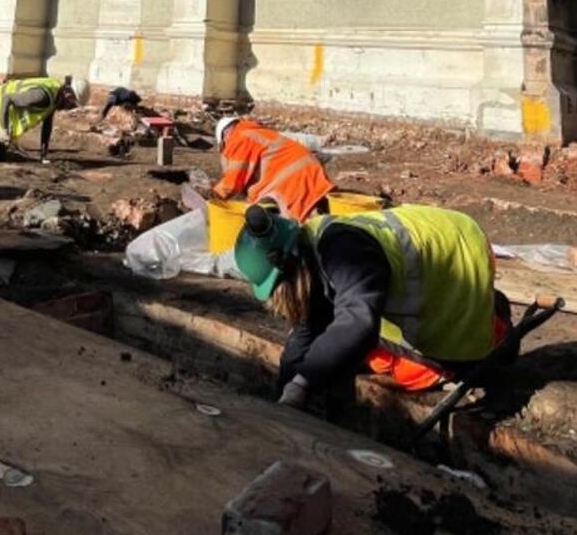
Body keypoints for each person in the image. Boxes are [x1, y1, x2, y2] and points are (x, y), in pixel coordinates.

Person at [232, 203, 510, 407]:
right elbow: (308, 328)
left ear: (291, 265)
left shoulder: (345, 251)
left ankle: (496, 329)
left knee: (412, 373)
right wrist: (286, 385)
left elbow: (358, 322)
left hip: (459, 249)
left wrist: (304, 382)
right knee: (349, 353)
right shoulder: (310, 251)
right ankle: (485, 311)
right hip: (437, 243)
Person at [211, 116, 336, 221]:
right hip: (310, 171)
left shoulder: (239, 139)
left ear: (225, 136)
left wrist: (214, 196)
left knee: (283, 222)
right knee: (315, 219)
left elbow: (232, 181)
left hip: (294, 178)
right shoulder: (257, 133)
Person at [0, 76, 79, 163]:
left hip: (3, 112)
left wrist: (43, 155)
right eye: (71, 104)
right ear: (67, 94)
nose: (69, 108)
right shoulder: (41, 96)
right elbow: (7, 99)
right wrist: (3, 130)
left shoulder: (55, 98)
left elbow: (47, 125)